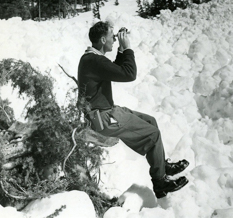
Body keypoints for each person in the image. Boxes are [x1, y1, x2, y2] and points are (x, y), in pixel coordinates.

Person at [77, 21, 189, 198]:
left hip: (105, 112)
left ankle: (162, 165)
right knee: (153, 134)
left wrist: (121, 50)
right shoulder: (94, 60)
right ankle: (160, 184)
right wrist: (128, 48)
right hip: (102, 118)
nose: (114, 40)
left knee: (150, 121)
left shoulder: (92, 59)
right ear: (102, 39)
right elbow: (128, 74)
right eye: (112, 37)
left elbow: (116, 69)